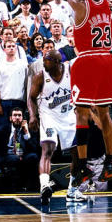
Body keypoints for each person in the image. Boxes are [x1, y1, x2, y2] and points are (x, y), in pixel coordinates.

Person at [64, 0, 112, 188]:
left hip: (87, 60)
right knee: (105, 114)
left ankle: (84, 165)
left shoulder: (80, 6)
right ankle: (110, 159)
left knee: (82, 114)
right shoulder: (106, 1)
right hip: (107, 59)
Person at [27, 49, 78, 203]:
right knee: (47, 149)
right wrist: (32, 115)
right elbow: (31, 98)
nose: (43, 63)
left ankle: (72, 191)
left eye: (46, 61)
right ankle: (44, 186)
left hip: (69, 115)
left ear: (57, 62)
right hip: (48, 116)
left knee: (77, 154)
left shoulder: (70, 70)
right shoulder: (40, 76)